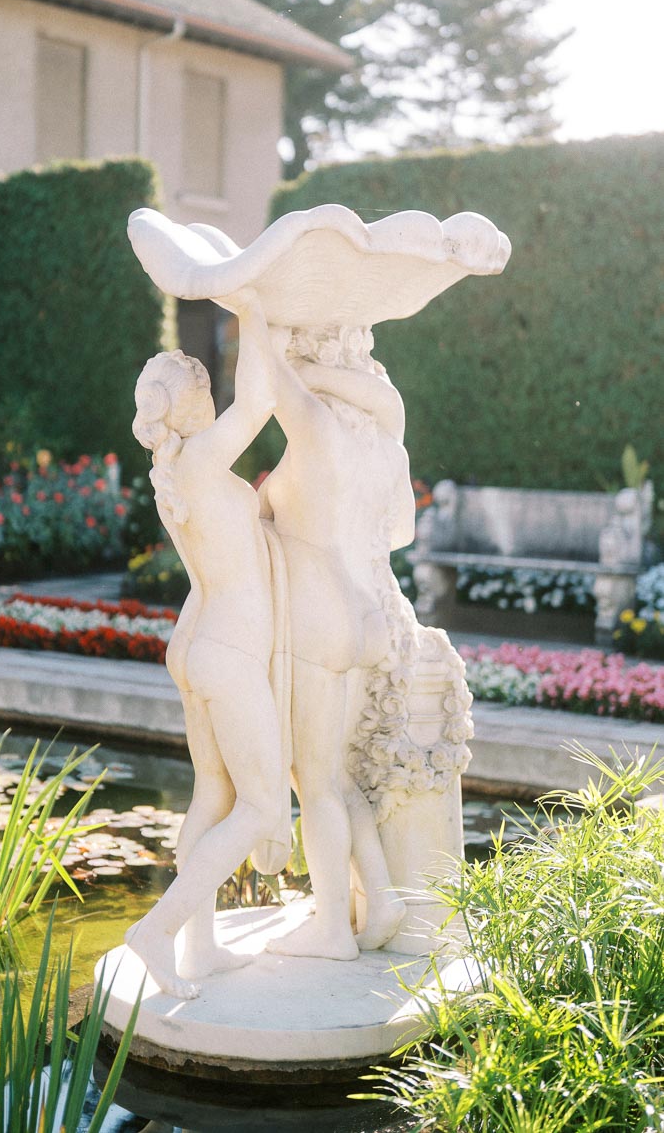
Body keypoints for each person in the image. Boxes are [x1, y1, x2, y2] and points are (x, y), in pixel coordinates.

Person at [126, 293, 285, 999]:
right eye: (203, 386)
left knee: (213, 794)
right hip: (228, 647)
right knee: (259, 806)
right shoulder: (199, 461)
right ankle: (157, 931)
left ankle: (201, 947)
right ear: (194, 404)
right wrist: (255, 307)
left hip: (196, 640)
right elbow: (257, 402)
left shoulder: (175, 471)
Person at [259, 324, 413, 960]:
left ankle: (329, 930)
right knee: (335, 774)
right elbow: (400, 534)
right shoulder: (383, 450)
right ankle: (382, 896)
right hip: (365, 614)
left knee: (314, 779)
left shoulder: (315, 433)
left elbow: (268, 377)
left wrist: (257, 315)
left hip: (316, 617)